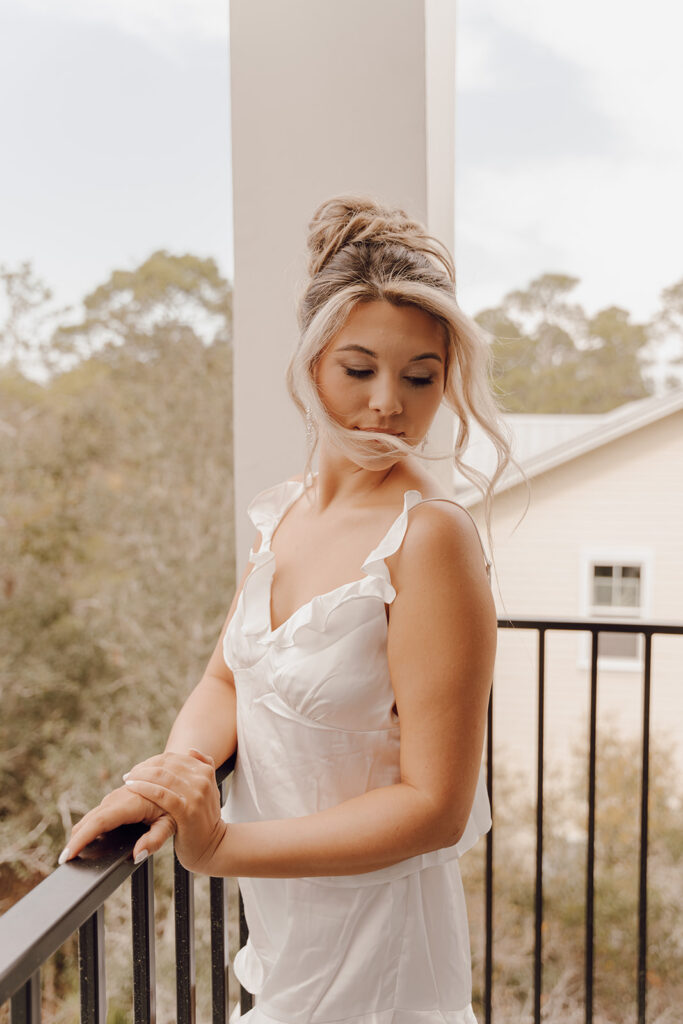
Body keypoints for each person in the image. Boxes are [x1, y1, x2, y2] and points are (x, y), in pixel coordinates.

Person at [61, 194, 511, 1023]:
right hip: (287, 942)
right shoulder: (291, 512)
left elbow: (435, 806)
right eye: (358, 369)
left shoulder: (430, 538)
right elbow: (226, 680)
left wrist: (226, 846)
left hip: (383, 961)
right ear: (311, 364)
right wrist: (175, 780)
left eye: (421, 377)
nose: (387, 404)